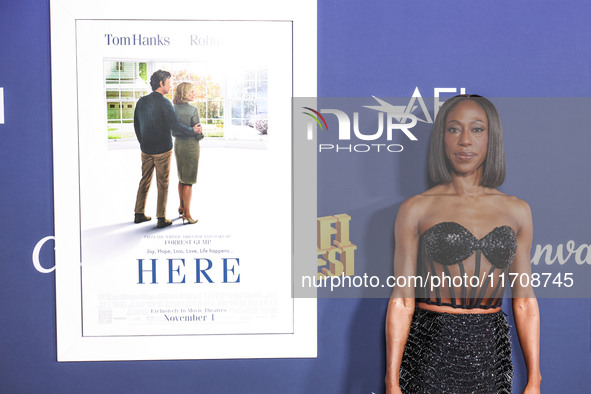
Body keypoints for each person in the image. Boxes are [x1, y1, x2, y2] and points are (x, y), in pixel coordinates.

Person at [385, 95, 541, 393]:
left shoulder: (518, 210)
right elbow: (402, 300)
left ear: (491, 137)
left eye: (477, 129)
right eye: (454, 129)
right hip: (429, 351)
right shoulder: (416, 208)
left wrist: (535, 378)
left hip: (490, 353)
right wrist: (392, 381)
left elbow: (524, 301)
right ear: (442, 138)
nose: (465, 141)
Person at [133, 70, 202, 228]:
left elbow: (136, 125)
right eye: (169, 83)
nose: (170, 86)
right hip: (163, 150)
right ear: (161, 83)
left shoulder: (142, 101)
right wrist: (194, 131)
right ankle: (161, 218)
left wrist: (143, 143)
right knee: (162, 184)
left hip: (146, 150)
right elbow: (175, 126)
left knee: (144, 181)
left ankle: (138, 213)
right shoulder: (165, 103)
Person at [172, 82, 203, 225]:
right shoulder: (193, 110)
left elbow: (173, 131)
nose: (193, 94)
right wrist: (200, 135)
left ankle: (181, 207)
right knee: (189, 181)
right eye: (191, 92)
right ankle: (187, 214)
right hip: (191, 147)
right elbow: (198, 130)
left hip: (178, 145)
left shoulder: (172, 109)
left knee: (181, 178)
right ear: (184, 93)